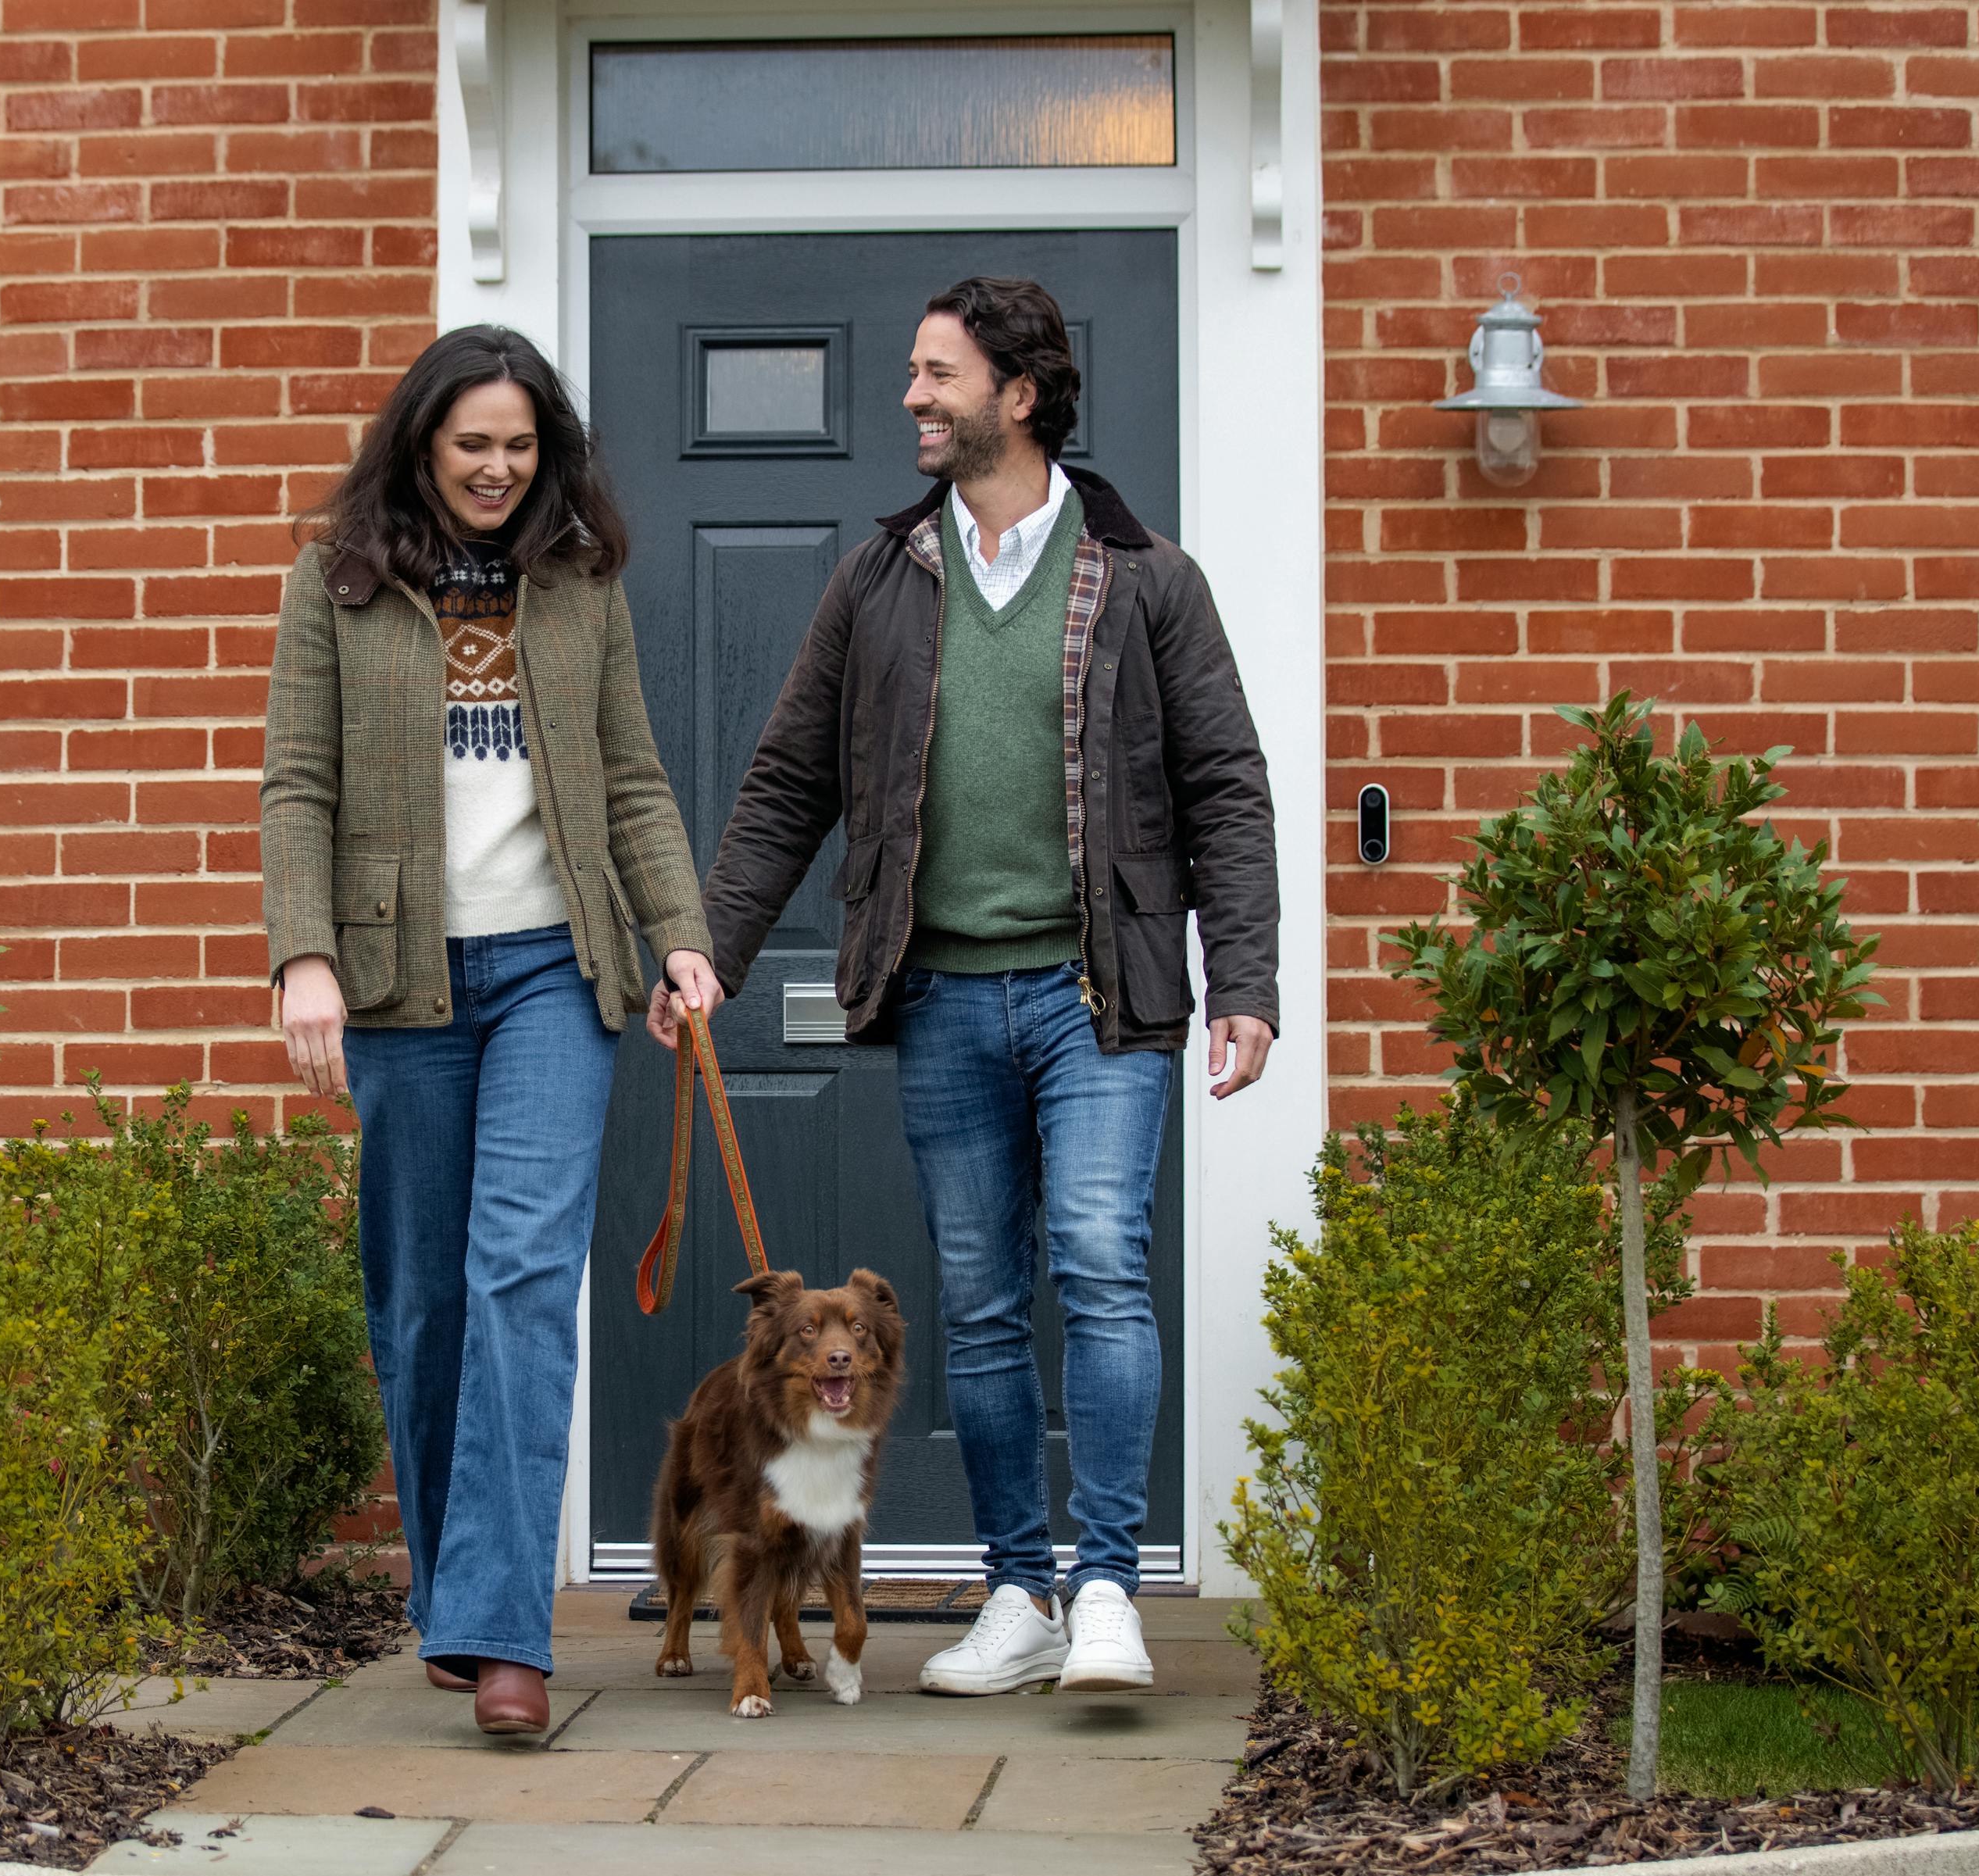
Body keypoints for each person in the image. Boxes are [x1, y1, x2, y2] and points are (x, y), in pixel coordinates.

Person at [700, 277, 1280, 1697]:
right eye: (910, 371)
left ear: (1018, 396)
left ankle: (1105, 1591)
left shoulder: (1148, 576)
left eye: (937, 373)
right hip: (948, 996)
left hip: (1102, 998)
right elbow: (790, 778)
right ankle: (1017, 1590)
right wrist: (711, 942)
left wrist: (1243, 978)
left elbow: (1226, 788)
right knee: (978, 1298)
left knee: (1097, 1260)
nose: (912, 395)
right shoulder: (884, 576)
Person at [262, 324, 723, 1738]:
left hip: (551, 976)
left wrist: (682, 935)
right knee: (423, 1304)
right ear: (422, 443)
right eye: (474, 446)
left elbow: (634, 778)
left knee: (523, 1273)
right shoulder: (336, 580)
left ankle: (502, 1628)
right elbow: (298, 786)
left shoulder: (580, 585)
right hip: (403, 983)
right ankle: (456, 1594)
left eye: (522, 449)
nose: (499, 471)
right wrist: (306, 959)